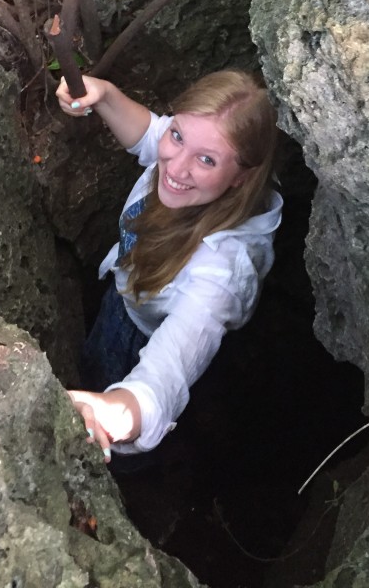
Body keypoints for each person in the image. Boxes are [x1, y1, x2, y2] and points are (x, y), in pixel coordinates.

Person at [56, 70, 283, 463]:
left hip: (142, 339)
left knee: (114, 412)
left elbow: (167, 372)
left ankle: (130, 475)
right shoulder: (187, 163)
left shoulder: (221, 274)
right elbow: (150, 134)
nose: (175, 169)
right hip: (124, 298)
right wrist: (105, 95)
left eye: (206, 160)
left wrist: (115, 412)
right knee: (92, 363)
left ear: (240, 178)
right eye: (178, 135)